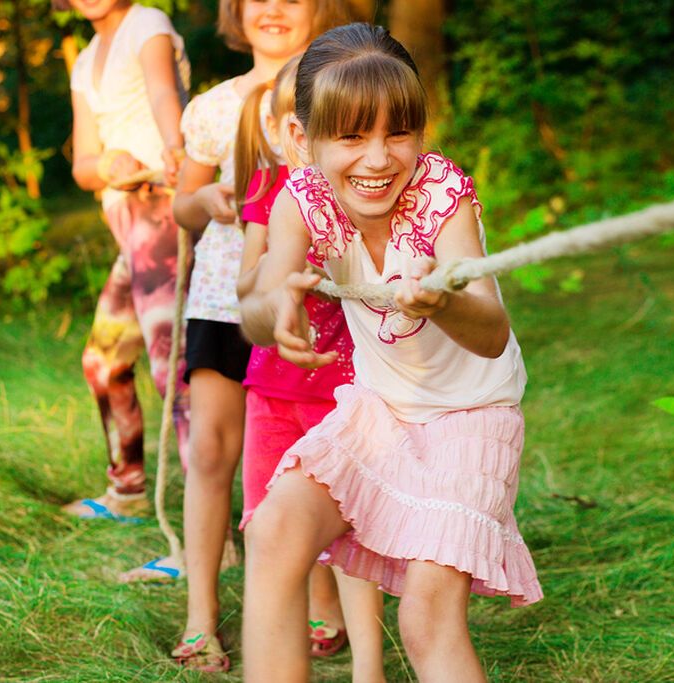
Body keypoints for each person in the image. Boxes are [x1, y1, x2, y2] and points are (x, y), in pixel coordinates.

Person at [239, 23, 542, 682]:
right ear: (302, 139)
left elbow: (490, 332)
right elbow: (260, 302)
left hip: (471, 418)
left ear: (420, 132)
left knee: (427, 617)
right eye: (351, 135)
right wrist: (277, 306)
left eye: (397, 133)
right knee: (273, 530)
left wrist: (443, 300)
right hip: (380, 415)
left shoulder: (441, 196)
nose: (378, 158)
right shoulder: (304, 198)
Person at [133, 0, 353, 672]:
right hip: (224, 300)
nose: (274, 8)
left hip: (312, 308)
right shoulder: (213, 107)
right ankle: (202, 615)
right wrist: (209, 204)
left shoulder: (345, 86)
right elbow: (183, 203)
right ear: (235, 12)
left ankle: (317, 595)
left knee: (307, 455)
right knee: (213, 452)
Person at [233, 60, 385, 675]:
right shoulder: (273, 193)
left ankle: (368, 667)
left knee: (354, 537)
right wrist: (280, 290)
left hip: (344, 394)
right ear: (293, 131)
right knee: (268, 528)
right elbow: (250, 286)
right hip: (272, 388)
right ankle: (281, 646)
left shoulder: (365, 190)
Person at [60, 0, 191, 522]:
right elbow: (83, 165)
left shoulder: (148, 24)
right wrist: (107, 165)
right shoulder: (84, 59)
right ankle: (129, 488)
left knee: (174, 373)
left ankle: (215, 537)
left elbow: (163, 95)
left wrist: (177, 147)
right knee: (105, 360)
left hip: (159, 210)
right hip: (128, 222)